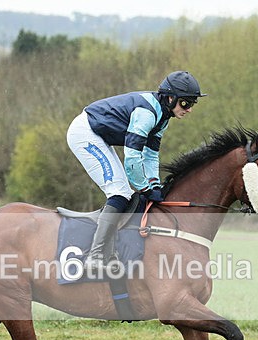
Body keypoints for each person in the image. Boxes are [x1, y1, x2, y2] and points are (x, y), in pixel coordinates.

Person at [66, 70, 206, 277]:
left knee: (124, 192)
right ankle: (95, 257)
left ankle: (110, 250)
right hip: (85, 134)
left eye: (192, 104)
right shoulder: (147, 113)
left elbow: (150, 155)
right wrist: (144, 187)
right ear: (170, 98)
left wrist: (154, 184)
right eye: (186, 103)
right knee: (119, 192)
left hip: (100, 136)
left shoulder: (163, 117)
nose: (189, 109)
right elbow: (132, 158)